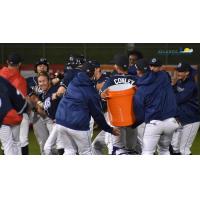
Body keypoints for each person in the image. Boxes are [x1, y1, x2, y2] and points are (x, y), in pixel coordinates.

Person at [54, 62, 120, 155]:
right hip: (77, 125)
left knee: (69, 151)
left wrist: (99, 95)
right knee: (86, 153)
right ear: (93, 73)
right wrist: (110, 129)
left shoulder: (73, 82)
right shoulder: (90, 91)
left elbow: (82, 95)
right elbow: (97, 115)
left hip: (61, 122)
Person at [133, 59, 180, 155]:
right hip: (171, 122)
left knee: (147, 152)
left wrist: (132, 125)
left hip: (154, 124)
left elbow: (140, 114)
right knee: (164, 150)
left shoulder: (140, 90)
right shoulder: (163, 76)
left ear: (138, 71)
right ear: (149, 68)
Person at [100, 54, 138, 155]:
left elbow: (102, 95)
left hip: (116, 118)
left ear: (117, 66)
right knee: (131, 149)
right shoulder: (136, 79)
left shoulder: (111, 79)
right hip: (132, 119)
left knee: (116, 149)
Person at [0, 53, 28, 155]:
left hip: (1, 115)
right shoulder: (20, 80)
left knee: (6, 144)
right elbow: (22, 101)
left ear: (7, 62)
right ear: (19, 64)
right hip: (15, 115)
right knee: (16, 143)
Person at [171, 62, 200, 155]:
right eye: (178, 71)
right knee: (174, 147)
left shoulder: (191, 85)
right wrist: (173, 85)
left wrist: (173, 86)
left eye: (181, 71)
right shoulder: (179, 82)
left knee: (184, 150)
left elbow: (177, 99)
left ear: (187, 73)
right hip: (181, 119)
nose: (178, 73)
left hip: (191, 121)